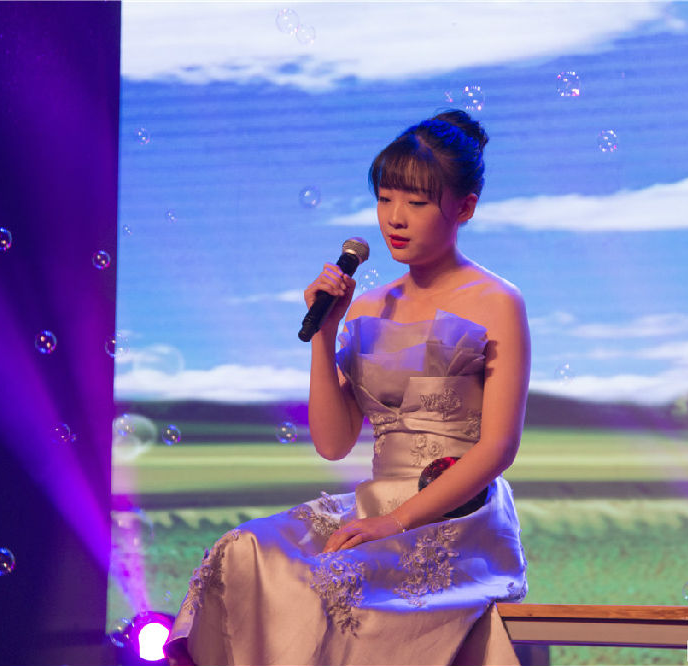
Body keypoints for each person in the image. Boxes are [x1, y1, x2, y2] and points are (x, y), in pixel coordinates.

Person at [166, 109, 531, 666]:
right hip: (375, 504)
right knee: (245, 551)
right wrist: (324, 333)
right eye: (385, 199)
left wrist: (394, 522)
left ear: (465, 208)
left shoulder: (497, 301)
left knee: (335, 582)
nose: (395, 218)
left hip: (458, 513)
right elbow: (333, 443)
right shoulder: (366, 308)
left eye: (417, 202)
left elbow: (499, 447)